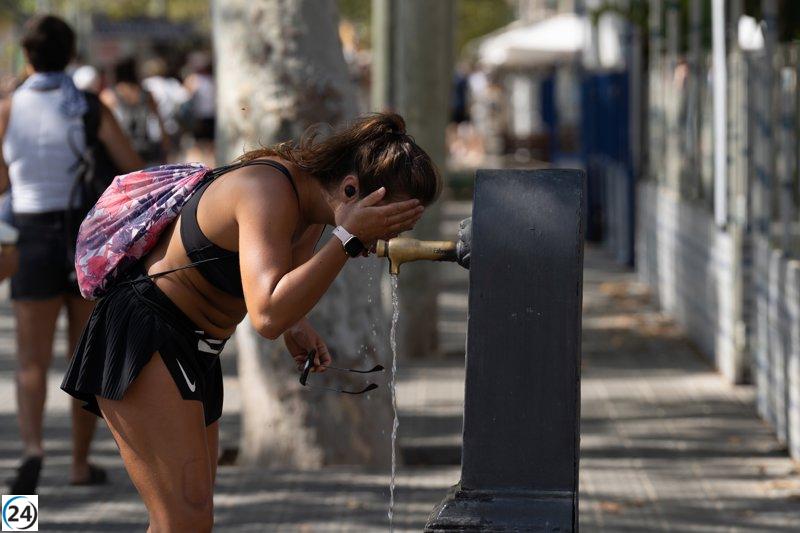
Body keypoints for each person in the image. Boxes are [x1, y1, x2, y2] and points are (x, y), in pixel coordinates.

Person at [61, 112, 438, 531]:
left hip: (197, 349)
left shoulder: (313, 209)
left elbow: (278, 287)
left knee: (191, 520)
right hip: (145, 336)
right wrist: (347, 238)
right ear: (351, 189)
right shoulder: (267, 189)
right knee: (182, 520)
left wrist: (298, 324)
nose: (384, 241)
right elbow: (267, 315)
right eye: (384, 224)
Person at [0, 14, 143, 494]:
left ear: (27, 56)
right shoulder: (87, 106)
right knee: (83, 358)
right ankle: (80, 464)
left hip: (31, 239)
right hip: (86, 241)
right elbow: (131, 171)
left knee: (31, 360)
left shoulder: (8, 108)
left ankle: (32, 452)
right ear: (71, 55)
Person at [101, 56, 169, 166]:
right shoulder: (146, 95)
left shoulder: (109, 97)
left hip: (124, 152)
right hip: (149, 149)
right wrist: (166, 146)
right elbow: (159, 122)